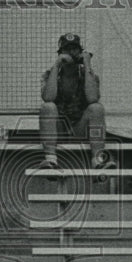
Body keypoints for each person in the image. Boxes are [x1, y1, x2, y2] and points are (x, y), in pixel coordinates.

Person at [38, 32, 116, 174]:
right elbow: (48, 97)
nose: (71, 53)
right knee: (47, 107)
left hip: (79, 129)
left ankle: (98, 160)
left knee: (96, 108)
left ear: (80, 52)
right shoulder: (50, 74)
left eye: (74, 49)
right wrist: (56, 65)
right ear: (60, 53)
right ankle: (50, 159)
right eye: (67, 49)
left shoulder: (88, 75)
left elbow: (93, 98)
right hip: (59, 130)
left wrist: (87, 65)